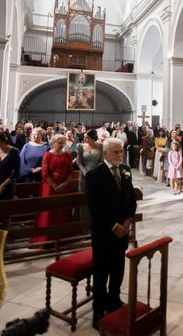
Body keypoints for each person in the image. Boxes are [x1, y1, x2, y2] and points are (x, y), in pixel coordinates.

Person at [85, 138, 137, 329]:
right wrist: (115, 226)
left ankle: (114, 300)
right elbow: (95, 208)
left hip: (122, 231)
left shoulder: (125, 171)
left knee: (118, 268)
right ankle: (98, 309)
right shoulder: (94, 175)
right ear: (105, 153)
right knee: (101, 272)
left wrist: (128, 220)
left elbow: (131, 199)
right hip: (104, 233)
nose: (119, 155)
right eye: (115, 152)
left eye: (121, 151)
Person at [32, 134, 75, 244]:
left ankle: (64, 236)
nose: (61, 145)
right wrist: (55, 186)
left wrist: (65, 184)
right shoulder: (47, 155)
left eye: (63, 142)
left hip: (64, 187)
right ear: (53, 143)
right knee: (49, 211)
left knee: (63, 211)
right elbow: (45, 174)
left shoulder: (67, 155)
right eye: (59, 142)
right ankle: (47, 238)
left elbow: (71, 172)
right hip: (50, 187)